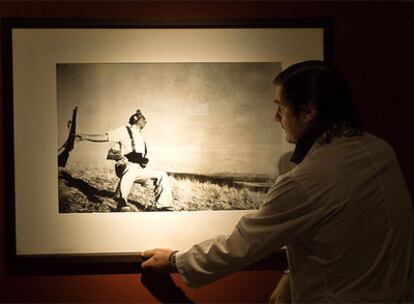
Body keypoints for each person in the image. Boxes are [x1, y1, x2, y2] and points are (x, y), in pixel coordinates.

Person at [140, 61, 414, 303]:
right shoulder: (379, 150)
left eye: (281, 107)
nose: (276, 118)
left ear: (308, 112)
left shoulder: (306, 181)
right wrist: (290, 274)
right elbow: (342, 233)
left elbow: (242, 245)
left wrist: (175, 260)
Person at [76, 109, 174, 212]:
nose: (146, 121)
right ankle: (121, 202)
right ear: (137, 120)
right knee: (131, 168)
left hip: (137, 169)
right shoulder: (124, 130)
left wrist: (143, 165)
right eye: (144, 119)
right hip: (124, 165)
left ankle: (164, 207)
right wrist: (85, 136)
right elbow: (107, 140)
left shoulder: (141, 138)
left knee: (162, 175)